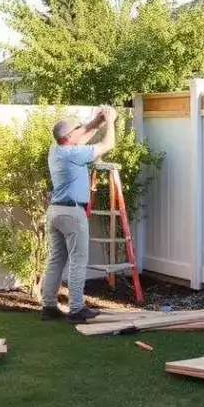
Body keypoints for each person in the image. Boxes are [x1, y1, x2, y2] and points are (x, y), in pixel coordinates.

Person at [39, 107, 117, 324]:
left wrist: (97, 120)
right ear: (69, 136)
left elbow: (82, 135)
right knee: (78, 260)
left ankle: (49, 306)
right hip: (72, 213)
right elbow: (108, 145)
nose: (80, 130)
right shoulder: (73, 154)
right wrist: (110, 121)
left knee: (56, 260)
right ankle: (76, 309)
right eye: (76, 129)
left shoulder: (55, 150)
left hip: (55, 211)